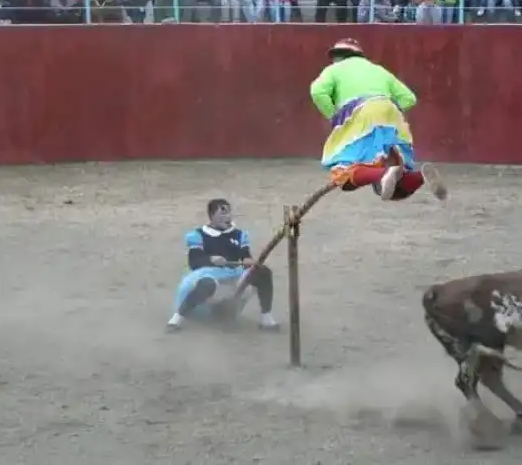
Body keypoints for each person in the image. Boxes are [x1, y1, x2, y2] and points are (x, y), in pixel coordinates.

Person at [310, 39, 448, 203]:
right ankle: (420, 177)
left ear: (339, 56)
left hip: (361, 112)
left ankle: (384, 174)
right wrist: (389, 108)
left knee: (343, 173)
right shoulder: (379, 70)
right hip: (391, 114)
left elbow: (317, 91)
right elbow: (409, 98)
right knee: (395, 187)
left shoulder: (334, 69)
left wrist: (334, 116)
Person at [167, 199, 279, 331]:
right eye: (222, 213)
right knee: (207, 283)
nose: (227, 217)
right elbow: (194, 261)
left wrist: (248, 260)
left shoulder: (239, 235)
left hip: (232, 279)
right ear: (212, 216)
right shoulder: (198, 235)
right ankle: (177, 319)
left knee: (262, 272)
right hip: (207, 278)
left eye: (228, 213)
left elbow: (245, 256)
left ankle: (266, 319)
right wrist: (210, 260)